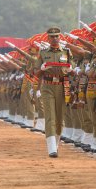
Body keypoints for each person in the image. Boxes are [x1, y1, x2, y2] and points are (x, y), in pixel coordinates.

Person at [35, 27, 72, 158]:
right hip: (48, 86)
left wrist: (71, 68)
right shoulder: (43, 53)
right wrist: (42, 68)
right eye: (52, 36)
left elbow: (71, 69)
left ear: (60, 37)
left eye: (57, 36)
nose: (55, 38)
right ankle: (51, 148)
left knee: (59, 118)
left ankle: (55, 144)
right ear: (48, 38)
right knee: (50, 116)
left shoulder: (66, 52)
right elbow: (36, 73)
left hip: (62, 86)